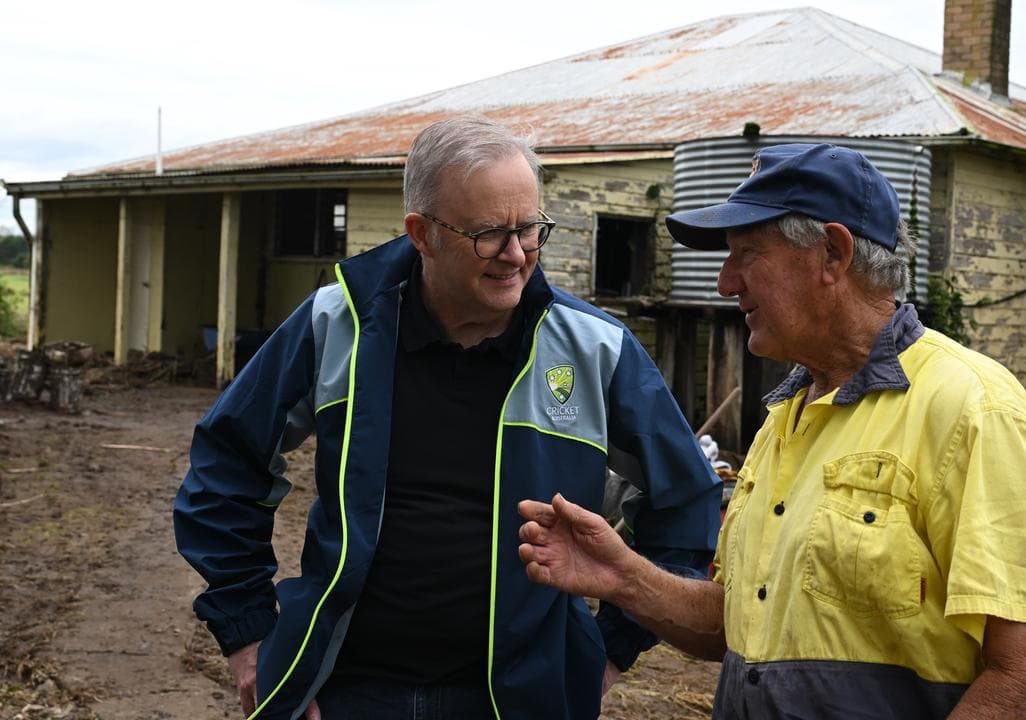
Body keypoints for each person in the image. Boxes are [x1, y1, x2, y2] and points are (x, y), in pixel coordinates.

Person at [173, 116, 722, 720]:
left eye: (530, 229)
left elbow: (687, 501)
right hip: (348, 690)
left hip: (521, 698)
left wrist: (610, 650)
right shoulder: (340, 324)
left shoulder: (593, 349)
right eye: (489, 234)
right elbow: (228, 460)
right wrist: (248, 633)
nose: (516, 255)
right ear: (422, 234)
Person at [518, 143, 1026, 719]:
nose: (724, 283)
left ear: (832, 254)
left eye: (747, 254)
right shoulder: (787, 419)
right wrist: (623, 576)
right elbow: (738, 625)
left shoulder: (971, 407)